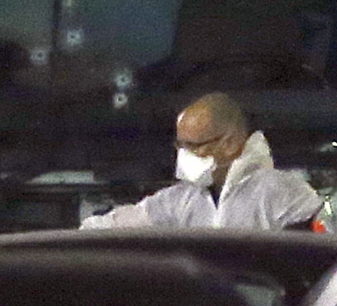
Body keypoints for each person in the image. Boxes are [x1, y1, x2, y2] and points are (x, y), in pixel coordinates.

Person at [81, 92, 322, 230]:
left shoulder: (282, 193)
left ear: (229, 143)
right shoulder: (180, 199)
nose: (183, 155)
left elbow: (324, 255)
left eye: (193, 146)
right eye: (180, 145)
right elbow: (109, 230)